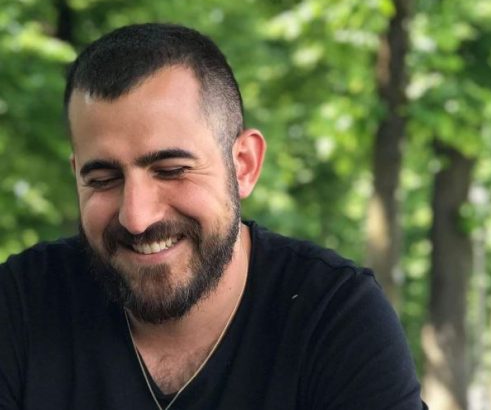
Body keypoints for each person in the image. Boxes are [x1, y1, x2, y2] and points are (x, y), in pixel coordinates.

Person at [0, 23, 427, 410]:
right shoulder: (21, 305)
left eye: (171, 170)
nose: (136, 217)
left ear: (244, 165)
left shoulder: (333, 318)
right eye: (103, 179)